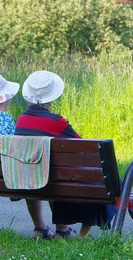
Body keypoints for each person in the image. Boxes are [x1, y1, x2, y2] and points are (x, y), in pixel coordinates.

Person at [15, 70, 114, 239]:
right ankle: (73, 234)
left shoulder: (21, 119)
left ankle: (48, 229)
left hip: (29, 180)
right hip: (55, 181)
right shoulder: (56, 122)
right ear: (52, 97)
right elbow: (84, 148)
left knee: (47, 171)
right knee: (106, 182)